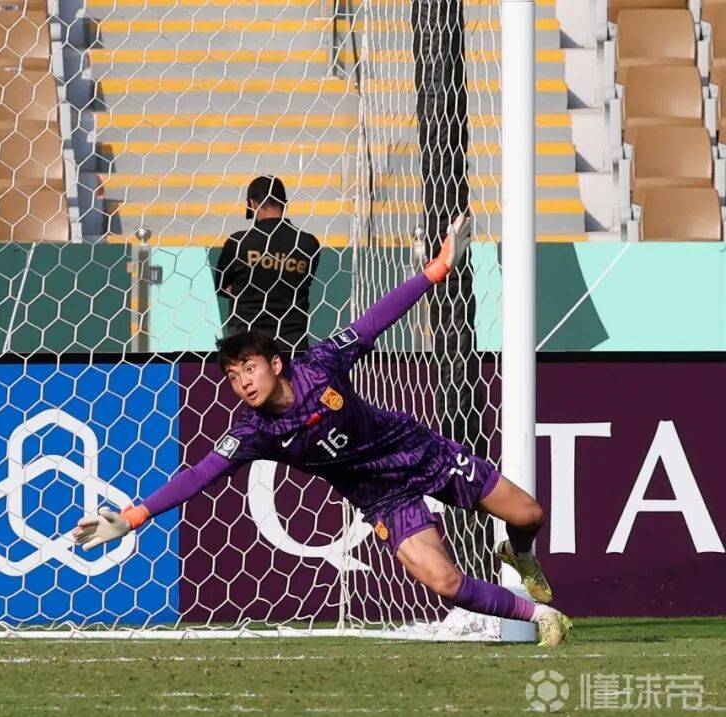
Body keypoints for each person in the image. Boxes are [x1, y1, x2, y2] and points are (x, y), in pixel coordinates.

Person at [73, 215, 572, 647]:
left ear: (275, 364)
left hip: (420, 453)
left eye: (249, 368)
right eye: (233, 376)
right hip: (382, 497)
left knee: (528, 513)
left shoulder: (321, 365)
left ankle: (520, 553)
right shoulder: (253, 432)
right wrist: (134, 517)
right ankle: (542, 616)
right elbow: (199, 474)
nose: (243, 382)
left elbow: (375, 320)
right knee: (443, 581)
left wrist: (437, 269)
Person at [214, 176, 320, 355]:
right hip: (292, 345)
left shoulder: (239, 242)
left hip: (248, 348)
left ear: (252, 204)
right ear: (285, 204)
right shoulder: (309, 244)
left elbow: (221, 287)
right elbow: (304, 283)